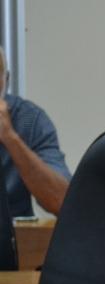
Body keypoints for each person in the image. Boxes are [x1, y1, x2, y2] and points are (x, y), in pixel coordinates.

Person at [0, 47, 70, 217]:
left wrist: (10, 137)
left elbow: (62, 202)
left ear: (5, 81)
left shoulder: (28, 119)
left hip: (11, 232)